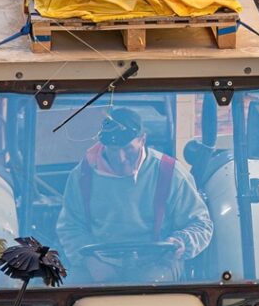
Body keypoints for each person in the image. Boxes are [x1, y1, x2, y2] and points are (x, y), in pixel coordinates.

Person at [50, 107, 216, 283]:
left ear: (142, 139)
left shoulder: (170, 173)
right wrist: (91, 262)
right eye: (113, 150)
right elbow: (70, 227)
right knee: (68, 287)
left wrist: (182, 241)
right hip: (99, 261)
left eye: (128, 149)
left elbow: (201, 224)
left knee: (148, 283)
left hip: (157, 262)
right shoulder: (82, 176)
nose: (120, 158)